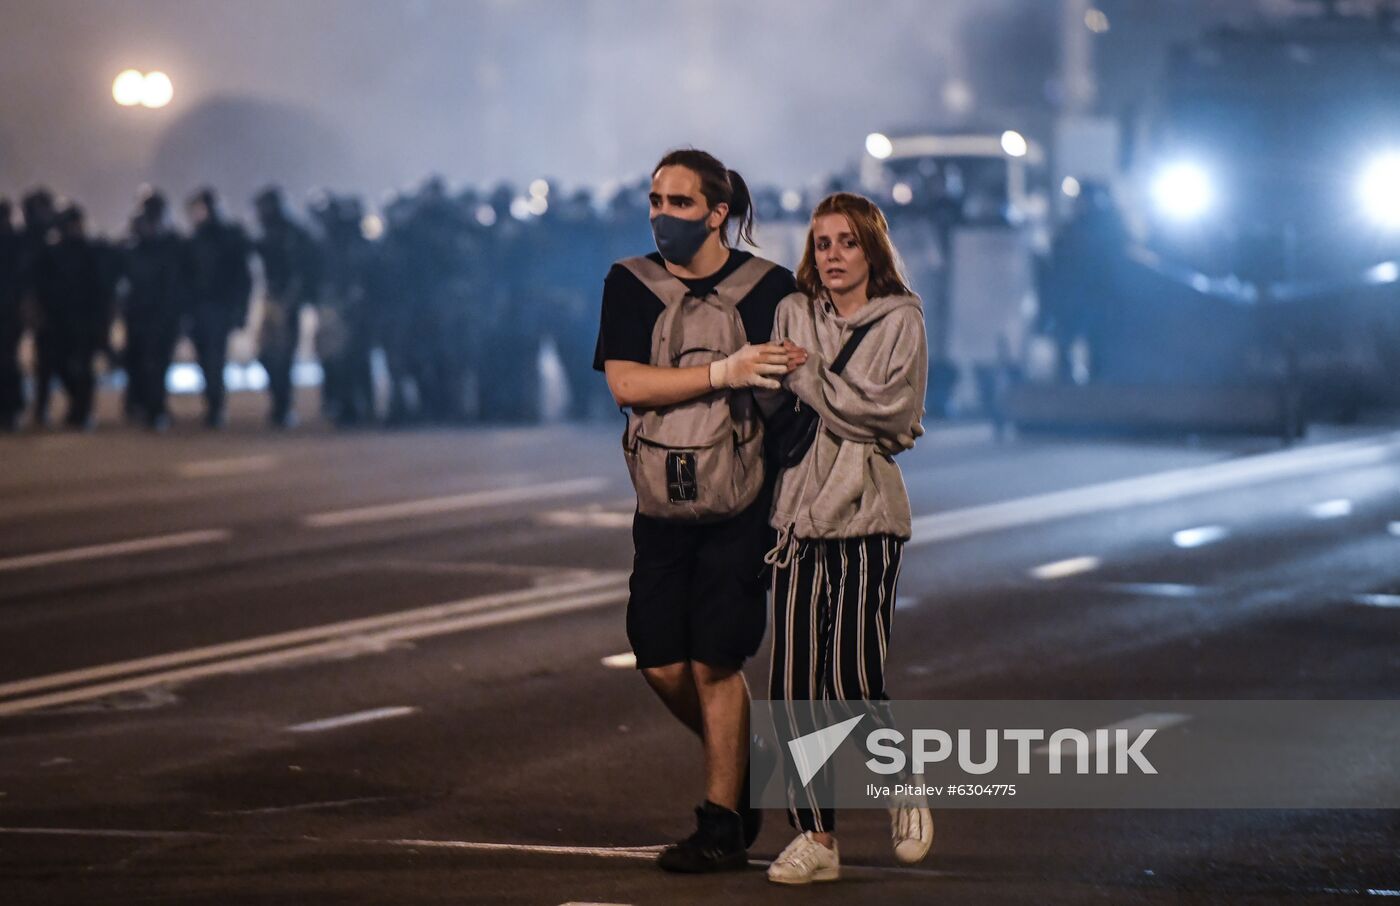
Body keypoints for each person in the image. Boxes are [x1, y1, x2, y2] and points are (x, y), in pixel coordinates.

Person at [594, 149, 800, 873]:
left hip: (743, 499)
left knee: (717, 660)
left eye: (680, 203)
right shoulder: (629, 283)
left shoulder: (769, 285)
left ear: (717, 213)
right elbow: (625, 383)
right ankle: (739, 760)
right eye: (654, 200)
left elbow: (791, 393)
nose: (662, 215)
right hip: (661, 495)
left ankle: (721, 824)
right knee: (657, 659)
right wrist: (723, 371)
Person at [762, 192, 933, 885]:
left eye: (846, 242)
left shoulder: (904, 320)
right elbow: (775, 395)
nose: (832, 255)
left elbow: (894, 417)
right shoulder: (793, 312)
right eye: (822, 243)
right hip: (799, 519)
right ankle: (816, 838)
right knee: (793, 688)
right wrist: (815, 387)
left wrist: (809, 376)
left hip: (866, 517)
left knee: (851, 683)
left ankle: (902, 782)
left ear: (872, 249)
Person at [33, 204, 109, 431]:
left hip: (82, 322)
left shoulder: (91, 252)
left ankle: (81, 411)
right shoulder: (53, 253)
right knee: (63, 367)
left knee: (83, 370)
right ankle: (78, 409)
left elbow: (100, 290)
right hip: (59, 322)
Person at [120, 190, 188, 431]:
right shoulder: (135, 245)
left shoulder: (174, 245)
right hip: (140, 314)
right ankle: (144, 405)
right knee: (141, 363)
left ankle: (155, 408)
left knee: (157, 364)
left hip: (164, 315)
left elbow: (181, 282)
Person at [185, 188, 253, 429]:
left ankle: (215, 407)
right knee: (205, 360)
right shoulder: (194, 240)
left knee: (214, 359)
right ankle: (212, 405)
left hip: (219, 308)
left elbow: (243, 279)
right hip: (198, 309)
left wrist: (240, 310)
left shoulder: (229, 239)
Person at [253, 186, 320, 428]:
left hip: (287, 301)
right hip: (271, 297)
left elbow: (301, 271)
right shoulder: (269, 232)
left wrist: (292, 300)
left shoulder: (293, 234)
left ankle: (283, 406)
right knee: (265, 354)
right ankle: (279, 402)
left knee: (282, 356)